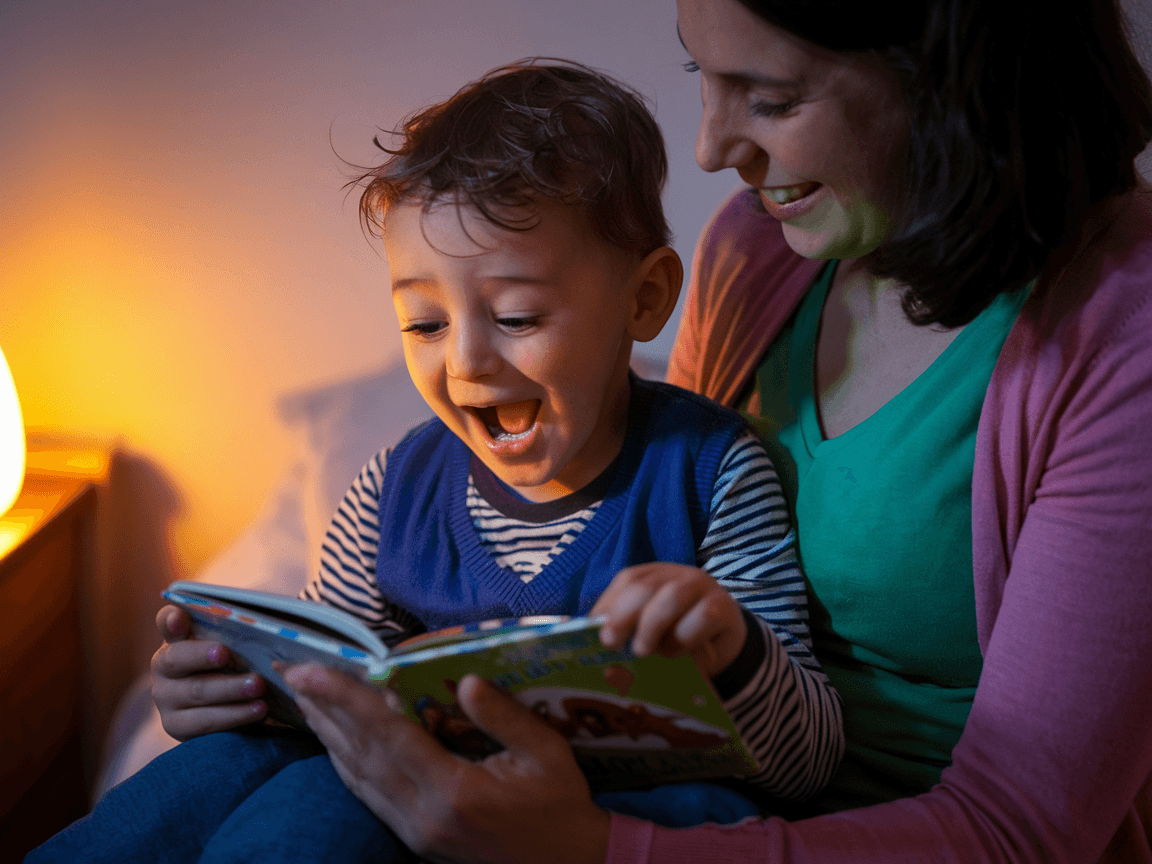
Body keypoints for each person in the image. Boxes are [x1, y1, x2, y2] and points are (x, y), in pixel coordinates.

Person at [270, 0, 1152, 862]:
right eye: (703, 73)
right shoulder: (760, 245)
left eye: (769, 97)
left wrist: (592, 847)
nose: (710, 149)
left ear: (955, 76)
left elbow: (1027, 827)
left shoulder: (1121, 332)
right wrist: (261, 691)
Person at [29, 60, 846, 863]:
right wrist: (229, 693)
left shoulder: (712, 473)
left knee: (318, 800)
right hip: (409, 786)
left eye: (518, 316)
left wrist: (732, 649)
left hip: (604, 819)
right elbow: (332, 677)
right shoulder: (393, 487)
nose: (466, 366)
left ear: (643, 300)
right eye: (425, 325)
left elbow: (809, 762)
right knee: (222, 768)